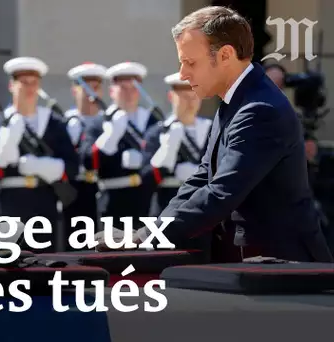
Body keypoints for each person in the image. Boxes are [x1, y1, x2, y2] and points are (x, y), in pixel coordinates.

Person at [133, 6, 333, 263]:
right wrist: (149, 232)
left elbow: (222, 192)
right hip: (255, 266)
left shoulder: (259, 109)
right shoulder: (235, 101)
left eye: (190, 62)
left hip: (285, 269)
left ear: (226, 55)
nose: (183, 73)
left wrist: (148, 235)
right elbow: (202, 179)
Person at [0, 57, 79, 252]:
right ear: (12, 85)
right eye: (23, 83)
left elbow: (72, 166)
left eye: (34, 83)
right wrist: (7, 144)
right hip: (10, 205)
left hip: (44, 203)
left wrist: (47, 167)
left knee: (44, 266)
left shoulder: (54, 123)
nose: (29, 88)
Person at [81, 61, 163, 229]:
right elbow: (88, 161)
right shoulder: (99, 122)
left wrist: (145, 163)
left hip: (147, 201)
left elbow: (164, 160)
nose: (129, 93)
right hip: (112, 202)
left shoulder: (153, 122)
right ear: (112, 91)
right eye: (123, 88)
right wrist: (109, 138)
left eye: (133, 88)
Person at [144, 72, 210, 216]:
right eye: (184, 97)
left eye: (194, 96)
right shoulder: (157, 132)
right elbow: (146, 179)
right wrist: (167, 152)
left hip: (202, 209)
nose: (190, 102)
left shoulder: (212, 129)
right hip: (167, 207)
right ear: (171, 96)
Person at [62, 62, 106, 249]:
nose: (91, 93)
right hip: (72, 192)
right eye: (85, 87)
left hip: (101, 189)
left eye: (95, 87)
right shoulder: (65, 121)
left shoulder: (108, 120)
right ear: (74, 90)